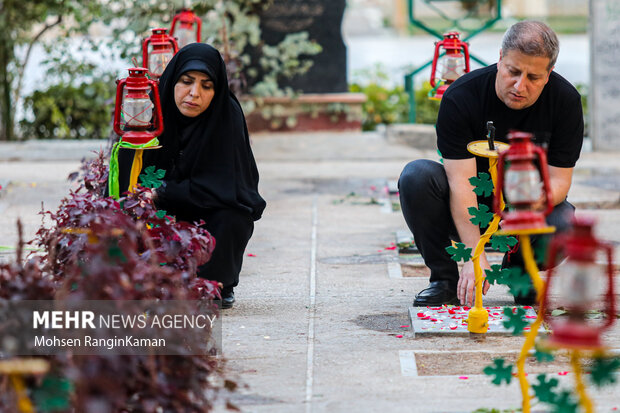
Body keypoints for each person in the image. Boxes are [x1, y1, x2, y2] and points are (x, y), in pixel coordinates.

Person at [398, 21, 583, 307]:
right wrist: (475, 256)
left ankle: (519, 272)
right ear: (500, 59)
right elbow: (461, 185)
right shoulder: (461, 96)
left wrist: (539, 199)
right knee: (416, 177)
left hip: (524, 206)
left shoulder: (565, 101)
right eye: (513, 71)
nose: (520, 86)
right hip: (467, 203)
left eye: (533, 77)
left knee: (566, 222)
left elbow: (560, 181)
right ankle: (445, 280)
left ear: (549, 74)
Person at [143, 43, 266, 309]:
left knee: (232, 215)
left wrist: (163, 192)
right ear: (173, 80)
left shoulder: (226, 116)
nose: (194, 93)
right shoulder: (150, 112)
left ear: (217, 90)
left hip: (209, 210)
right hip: (159, 209)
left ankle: (217, 283)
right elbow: (131, 173)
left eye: (206, 86)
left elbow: (224, 188)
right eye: (186, 82)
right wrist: (148, 195)